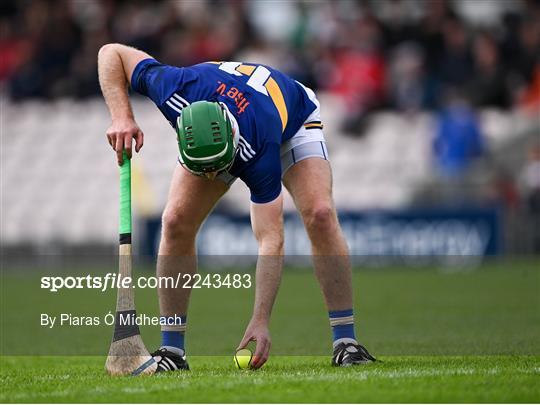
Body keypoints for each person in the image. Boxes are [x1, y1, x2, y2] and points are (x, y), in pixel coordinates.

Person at [97, 43, 375, 371]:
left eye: (218, 168)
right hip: (226, 116)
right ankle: (172, 351)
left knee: (320, 214)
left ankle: (346, 341)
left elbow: (271, 239)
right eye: (205, 169)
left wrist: (260, 320)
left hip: (290, 116)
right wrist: (122, 115)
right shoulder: (173, 87)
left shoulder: (261, 147)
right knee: (174, 221)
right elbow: (110, 52)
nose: (213, 177)